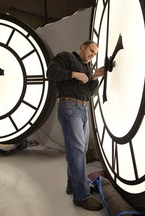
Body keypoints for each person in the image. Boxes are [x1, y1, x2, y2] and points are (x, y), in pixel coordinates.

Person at [46, 41, 105, 211]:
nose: (92, 55)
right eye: (91, 51)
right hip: (70, 107)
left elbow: (88, 92)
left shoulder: (87, 67)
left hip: (82, 107)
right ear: (82, 47)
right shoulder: (66, 57)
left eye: (95, 53)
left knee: (80, 149)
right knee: (78, 150)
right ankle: (81, 196)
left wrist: (94, 77)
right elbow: (51, 72)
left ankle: (73, 186)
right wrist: (74, 74)